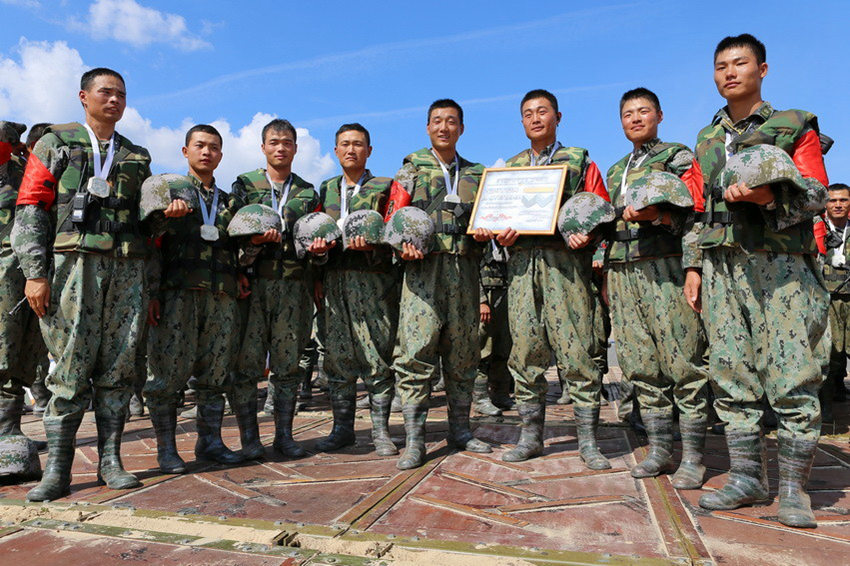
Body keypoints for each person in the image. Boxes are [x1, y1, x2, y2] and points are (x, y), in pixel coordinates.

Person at [684, 34, 830, 528]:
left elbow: (817, 193)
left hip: (780, 267)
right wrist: (692, 266)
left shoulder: (792, 126)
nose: (729, 72)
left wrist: (771, 196)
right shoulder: (707, 138)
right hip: (722, 266)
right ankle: (747, 476)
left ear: (762, 69)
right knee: (730, 372)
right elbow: (700, 208)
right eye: (721, 64)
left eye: (740, 63)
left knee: (792, 374)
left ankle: (793, 489)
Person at [12, 68, 152, 500]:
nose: (114, 101)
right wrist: (35, 272)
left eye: (121, 95)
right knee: (68, 366)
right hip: (73, 265)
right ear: (83, 96)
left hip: (127, 269)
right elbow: (32, 206)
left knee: (119, 366)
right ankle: (58, 469)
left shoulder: (137, 155)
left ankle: (111, 460)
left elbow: (147, 221)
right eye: (105, 93)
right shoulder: (56, 142)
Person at [474, 89, 611, 468]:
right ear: (521, 121)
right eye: (528, 113)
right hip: (520, 269)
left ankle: (588, 443)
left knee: (578, 351)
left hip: (565, 267)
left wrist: (590, 235)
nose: (536, 118)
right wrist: (492, 230)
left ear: (558, 117)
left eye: (543, 112)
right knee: (525, 353)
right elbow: (494, 214)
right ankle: (531, 437)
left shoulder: (580, 161)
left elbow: (600, 209)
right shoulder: (510, 169)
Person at [603, 87, 710, 488]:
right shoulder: (616, 170)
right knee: (642, 367)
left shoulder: (678, 156)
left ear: (659, 115)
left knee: (684, 363)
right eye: (628, 113)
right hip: (625, 272)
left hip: (665, 268)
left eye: (643, 111)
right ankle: (661, 451)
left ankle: (695, 458)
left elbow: (695, 212)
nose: (635, 118)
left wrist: (693, 266)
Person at [386, 98, 492, 469]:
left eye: (451, 122)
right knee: (416, 351)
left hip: (464, 270)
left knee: (463, 353)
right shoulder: (411, 169)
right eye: (437, 121)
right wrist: (404, 249)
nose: (444, 127)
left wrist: (486, 233)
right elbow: (394, 218)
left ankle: (460, 430)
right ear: (427, 127)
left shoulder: (478, 174)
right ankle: (415, 441)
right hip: (423, 273)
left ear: (461, 128)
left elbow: (492, 218)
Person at [144, 124, 248, 473]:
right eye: (200, 146)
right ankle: (167, 449)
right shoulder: (169, 191)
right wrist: (152, 293)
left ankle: (211, 442)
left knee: (216, 374)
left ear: (221, 155)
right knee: (167, 374)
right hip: (177, 296)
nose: (207, 152)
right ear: (184, 150)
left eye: (214, 147)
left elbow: (239, 249)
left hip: (221, 297)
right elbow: (150, 245)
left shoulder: (231, 202)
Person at [309, 123, 400, 456]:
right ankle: (342, 430)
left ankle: (380, 431)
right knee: (337, 358)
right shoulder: (325, 189)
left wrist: (373, 247)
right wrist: (317, 260)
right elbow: (313, 234)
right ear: (335, 151)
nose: (351, 150)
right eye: (345, 144)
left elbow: (395, 237)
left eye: (358, 144)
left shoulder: (384, 187)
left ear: (369, 151)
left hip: (372, 282)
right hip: (334, 283)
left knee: (377, 355)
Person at [231, 119, 319, 459]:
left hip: (293, 287)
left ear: (296, 148)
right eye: (273, 142)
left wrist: (319, 260)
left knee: (288, 365)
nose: (280, 148)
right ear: (263, 147)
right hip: (253, 286)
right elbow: (231, 237)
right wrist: (248, 251)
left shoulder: (307, 192)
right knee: (247, 366)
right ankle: (250, 441)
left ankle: (284, 436)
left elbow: (314, 242)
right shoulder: (245, 185)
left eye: (286, 142)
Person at [0, 120, 50, 478]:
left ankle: (11, 429)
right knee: (2, 347)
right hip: (3, 265)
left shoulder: (27, 169)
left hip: (32, 266)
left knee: (27, 349)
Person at [815, 183, 850, 420]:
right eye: (833, 200)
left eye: (843, 200)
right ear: (825, 204)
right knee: (828, 355)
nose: (838, 204)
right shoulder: (814, 229)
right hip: (824, 297)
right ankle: (824, 407)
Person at [474, 244, 513, 416]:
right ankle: (480, 398)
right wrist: (481, 300)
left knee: (503, 348)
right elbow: (472, 270)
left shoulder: (506, 239)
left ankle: (500, 394)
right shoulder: (479, 237)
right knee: (482, 350)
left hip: (505, 292)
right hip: (487, 295)